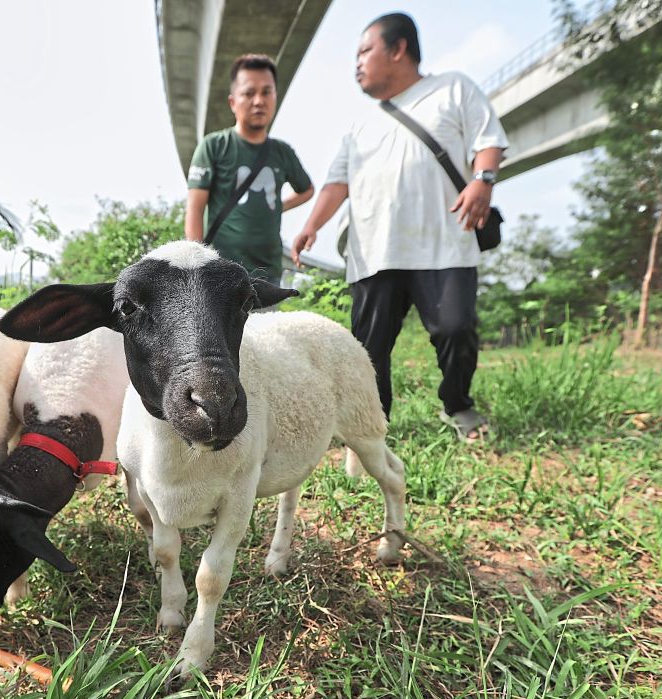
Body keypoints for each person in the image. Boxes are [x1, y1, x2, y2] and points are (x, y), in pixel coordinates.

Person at [291, 13, 508, 441]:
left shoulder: (453, 89)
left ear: (398, 49)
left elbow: (489, 141)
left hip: (444, 245)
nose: (357, 63)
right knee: (368, 347)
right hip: (375, 250)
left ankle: (457, 405)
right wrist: (311, 224)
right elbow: (338, 183)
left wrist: (483, 182)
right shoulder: (359, 125)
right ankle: (371, 423)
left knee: (456, 328)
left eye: (364, 51)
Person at [186, 54, 314, 285]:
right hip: (219, 274)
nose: (259, 101)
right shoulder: (213, 146)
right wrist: (196, 266)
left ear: (276, 97)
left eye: (267, 92)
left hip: (268, 276)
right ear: (233, 102)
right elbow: (195, 209)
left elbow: (306, 190)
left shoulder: (282, 152)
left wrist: (276, 207)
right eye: (248, 93)